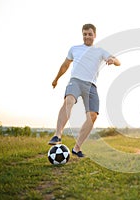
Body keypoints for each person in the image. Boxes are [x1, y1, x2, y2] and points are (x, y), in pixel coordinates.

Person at [48, 24, 120, 157]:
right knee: (69, 100)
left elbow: (118, 61)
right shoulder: (74, 49)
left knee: (92, 116)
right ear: (82, 35)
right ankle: (57, 135)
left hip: (91, 85)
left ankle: (77, 148)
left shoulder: (100, 51)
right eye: (85, 34)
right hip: (75, 81)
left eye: (90, 34)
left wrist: (112, 60)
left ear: (95, 35)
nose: (87, 36)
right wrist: (56, 79)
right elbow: (65, 65)